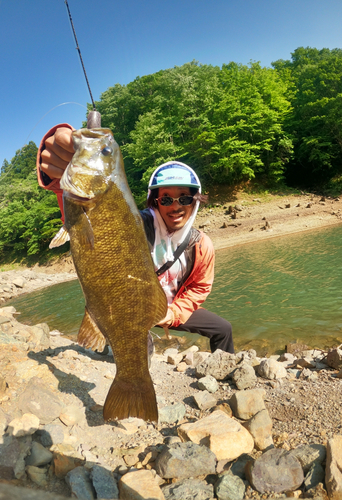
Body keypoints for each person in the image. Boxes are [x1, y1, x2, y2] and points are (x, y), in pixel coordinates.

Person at [37, 125, 234, 353]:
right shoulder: (133, 224)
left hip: (169, 309)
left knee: (223, 328)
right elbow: (88, 223)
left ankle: (226, 368)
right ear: (155, 201)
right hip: (127, 308)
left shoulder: (200, 245)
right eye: (166, 199)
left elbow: (199, 288)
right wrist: (61, 180)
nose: (176, 206)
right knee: (139, 351)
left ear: (196, 200)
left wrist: (173, 313)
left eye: (185, 198)